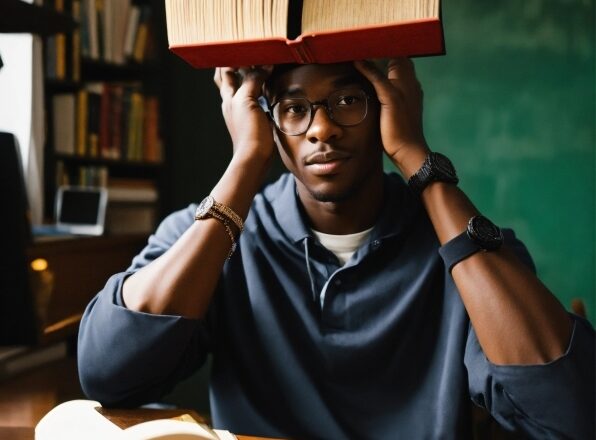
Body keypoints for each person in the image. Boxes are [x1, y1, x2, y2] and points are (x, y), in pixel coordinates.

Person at [77, 59, 594, 439]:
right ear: (268, 121)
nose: (321, 128)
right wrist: (245, 164)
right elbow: (106, 371)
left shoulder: (462, 247)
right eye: (294, 109)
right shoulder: (220, 235)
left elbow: (574, 414)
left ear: (386, 109)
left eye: (348, 100)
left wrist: (418, 159)